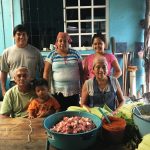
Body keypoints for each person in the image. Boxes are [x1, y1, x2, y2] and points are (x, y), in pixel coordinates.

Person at [0, 24, 44, 97]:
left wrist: (42, 87)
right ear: (14, 36)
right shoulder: (6, 52)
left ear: (28, 36)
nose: (21, 37)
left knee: (32, 107)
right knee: (15, 108)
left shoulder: (36, 52)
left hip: (31, 85)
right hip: (14, 85)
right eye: (18, 34)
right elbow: (3, 72)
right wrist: (4, 90)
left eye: (24, 34)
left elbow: (42, 70)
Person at [43, 32, 83, 111]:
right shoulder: (52, 55)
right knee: (59, 115)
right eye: (60, 41)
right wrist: (46, 89)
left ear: (68, 42)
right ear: (57, 42)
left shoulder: (76, 54)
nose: (62, 43)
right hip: (57, 92)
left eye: (65, 41)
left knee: (74, 114)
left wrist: (83, 87)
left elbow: (82, 72)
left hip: (74, 91)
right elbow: (46, 73)